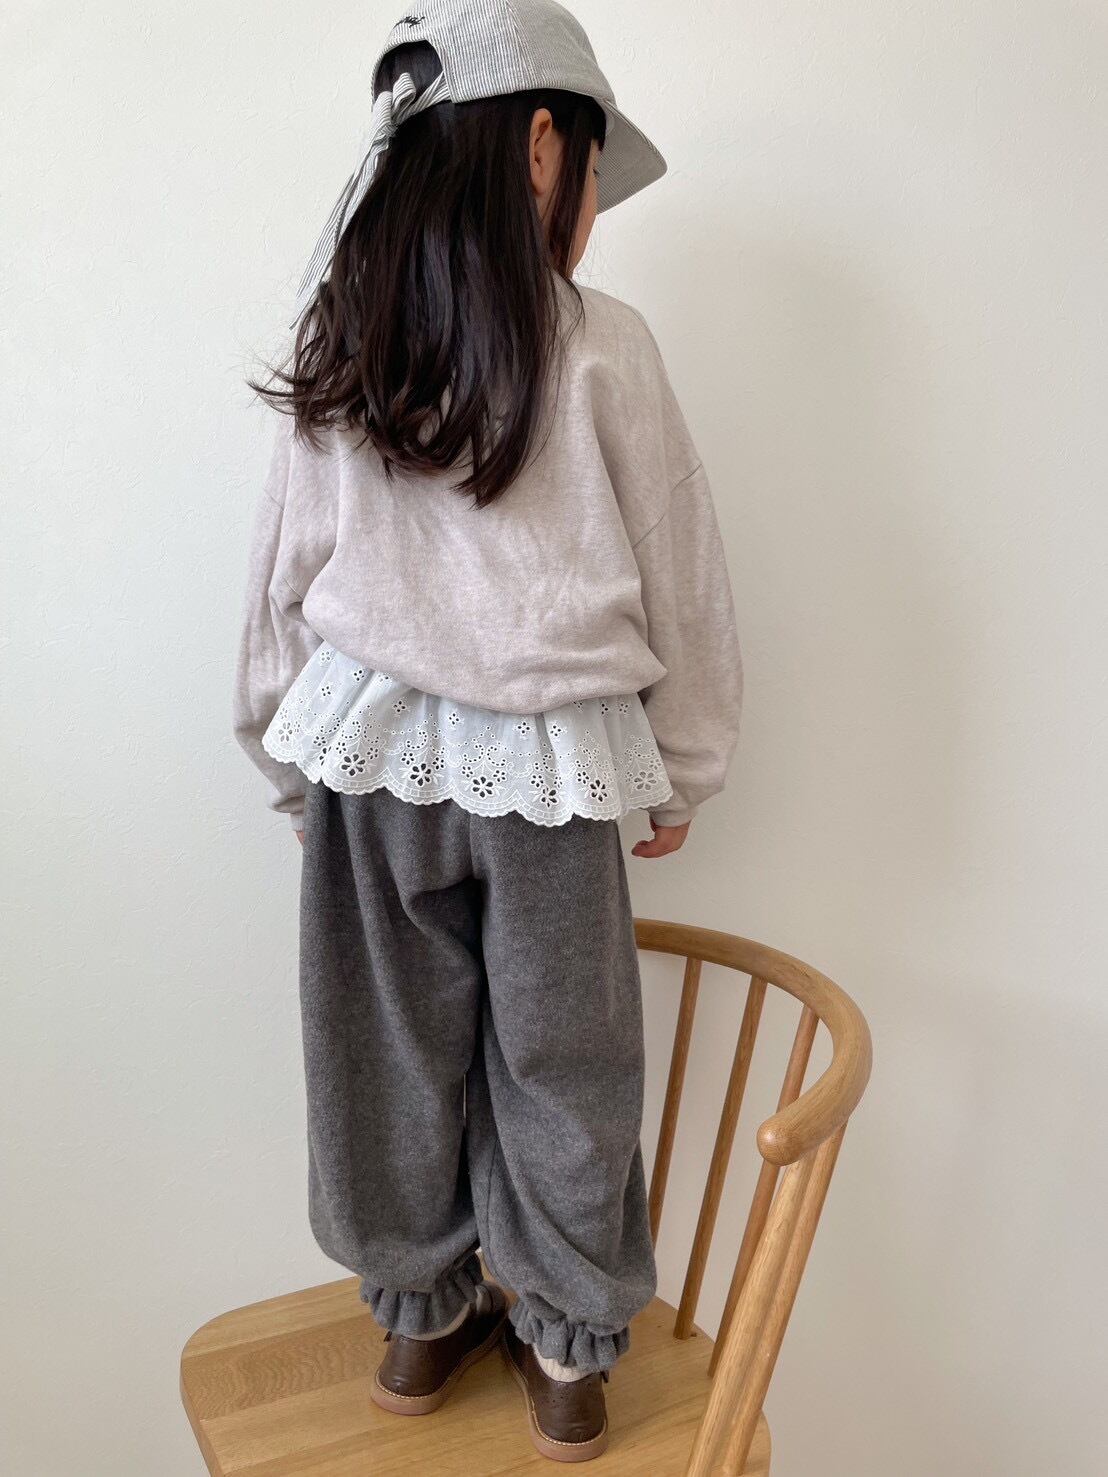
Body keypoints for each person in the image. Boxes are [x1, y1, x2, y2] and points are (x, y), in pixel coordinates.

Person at [232, 1, 743, 1461]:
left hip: (373, 769)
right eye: (590, 168)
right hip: (552, 773)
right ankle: (570, 1354)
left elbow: (281, 576)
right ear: (538, 148)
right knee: (564, 1058)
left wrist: (284, 756)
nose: (592, 209)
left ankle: (415, 1320)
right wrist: (684, 764)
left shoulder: (343, 339)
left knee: (384, 1049)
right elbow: (682, 569)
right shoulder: (606, 346)